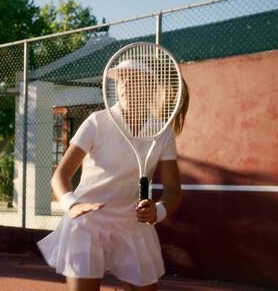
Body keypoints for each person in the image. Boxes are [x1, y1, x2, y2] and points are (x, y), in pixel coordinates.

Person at [37, 61, 190, 291]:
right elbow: (61, 175)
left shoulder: (162, 132)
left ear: (150, 87)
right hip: (87, 223)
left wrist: (156, 210)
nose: (125, 83)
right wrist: (71, 204)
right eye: (121, 79)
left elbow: (172, 191)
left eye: (134, 78)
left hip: (133, 225)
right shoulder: (96, 122)